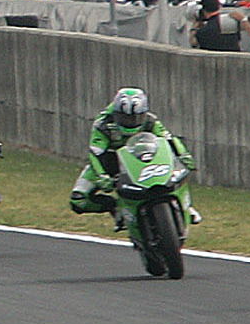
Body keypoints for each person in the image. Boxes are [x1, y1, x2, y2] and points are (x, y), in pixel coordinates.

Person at [68, 87, 200, 225]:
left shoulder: (151, 120)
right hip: (111, 161)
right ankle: (117, 208)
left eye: (137, 117)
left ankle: (186, 207)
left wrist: (183, 155)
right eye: (124, 117)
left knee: (177, 175)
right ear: (116, 113)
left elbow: (169, 139)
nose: (131, 122)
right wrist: (102, 176)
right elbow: (96, 153)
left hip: (146, 158)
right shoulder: (102, 124)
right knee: (78, 200)